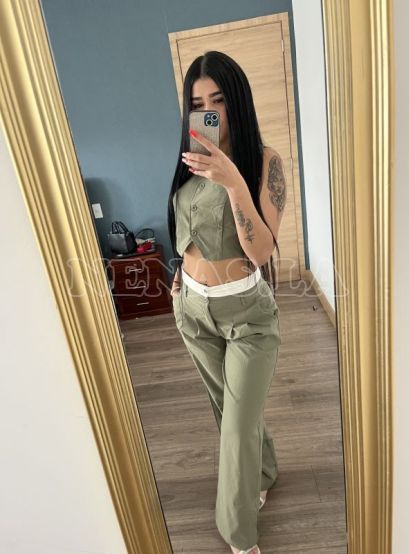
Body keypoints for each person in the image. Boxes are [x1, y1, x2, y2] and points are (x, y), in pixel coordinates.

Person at [167, 51, 287, 554]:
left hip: (247, 316)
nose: (209, 111)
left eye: (217, 99)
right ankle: (264, 471)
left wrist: (233, 180)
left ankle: (238, 536)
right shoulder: (191, 158)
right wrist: (180, 273)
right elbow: (188, 226)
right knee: (227, 409)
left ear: (236, 99)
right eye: (198, 104)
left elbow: (260, 252)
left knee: (236, 426)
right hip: (192, 310)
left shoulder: (264, 162)